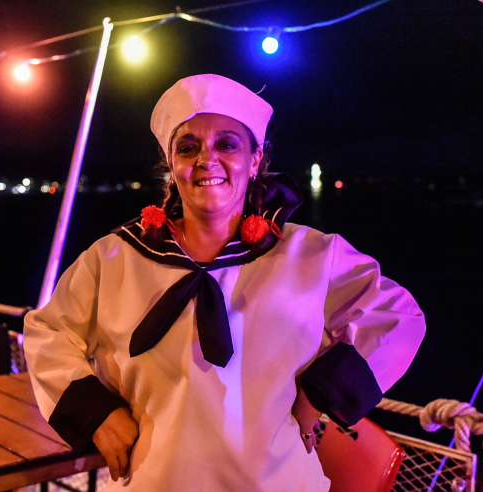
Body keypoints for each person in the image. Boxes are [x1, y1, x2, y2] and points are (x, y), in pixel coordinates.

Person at [23, 74, 425, 491]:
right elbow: (48, 332)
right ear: (171, 165)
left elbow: (396, 316)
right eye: (188, 147)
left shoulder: (311, 256)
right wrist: (98, 414)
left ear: (254, 161)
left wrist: (321, 394)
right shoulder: (113, 259)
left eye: (227, 144)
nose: (206, 159)